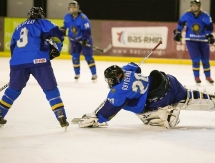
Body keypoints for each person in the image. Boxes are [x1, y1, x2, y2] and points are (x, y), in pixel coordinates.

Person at [78, 62, 215, 129]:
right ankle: (212, 99)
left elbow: (110, 108)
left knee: (129, 105)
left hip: (160, 98)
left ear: (113, 79)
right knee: (188, 97)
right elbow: (135, 66)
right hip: (170, 80)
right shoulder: (125, 70)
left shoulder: (118, 91)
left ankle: (165, 114)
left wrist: (97, 118)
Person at [0, 7, 69, 130]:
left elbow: (12, 47)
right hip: (39, 60)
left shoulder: (18, 27)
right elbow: (57, 34)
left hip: (17, 63)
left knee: (13, 89)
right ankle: (61, 116)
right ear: (41, 15)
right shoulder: (41, 22)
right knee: (50, 88)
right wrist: (57, 45)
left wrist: (16, 68)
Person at [173, 0, 215, 84]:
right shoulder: (186, 14)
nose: (194, 7)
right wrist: (178, 31)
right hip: (191, 40)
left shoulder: (205, 15)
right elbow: (180, 24)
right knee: (196, 59)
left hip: (203, 40)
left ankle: (208, 76)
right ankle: (197, 77)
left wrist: (209, 35)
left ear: (199, 6)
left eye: (195, 6)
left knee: (205, 60)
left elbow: (209, 27)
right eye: (192, 6)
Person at [60, 1, 97, 82]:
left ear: (77, 8)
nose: (73, 9)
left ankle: (94, 74)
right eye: (71, 7)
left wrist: (85, 39)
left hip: (84, 40)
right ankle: (77, 74)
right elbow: (65, 25)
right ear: (69, 8)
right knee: (75, 57)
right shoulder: (67, 16)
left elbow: (87, 30)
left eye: (74, 7)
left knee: (88, 57)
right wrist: (63, 29)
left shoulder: (83, 18)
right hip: (73, 41)